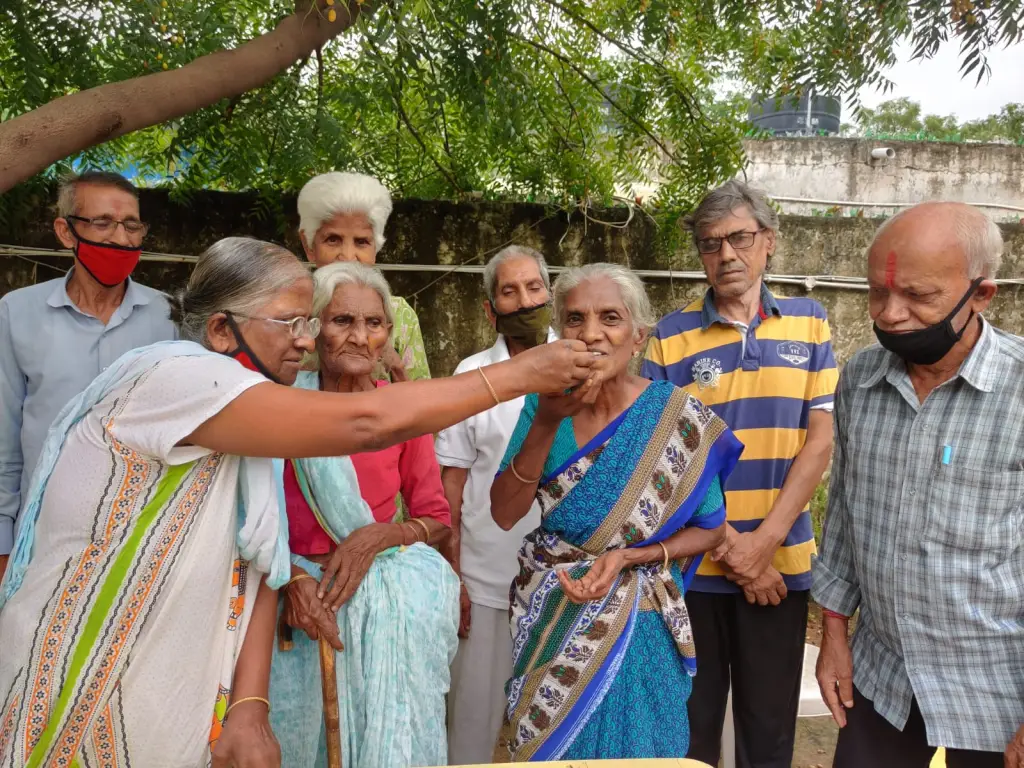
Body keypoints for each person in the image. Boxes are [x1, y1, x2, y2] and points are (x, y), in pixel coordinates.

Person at [0, 236, 596, 767]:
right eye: (293, 322)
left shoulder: (249, 415)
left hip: (175, 667)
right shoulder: (174, 377)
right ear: (221, 330)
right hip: (90, 651)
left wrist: (251, 708)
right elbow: (366, 423)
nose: (308, 341)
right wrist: (521, 374)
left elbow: (261, 555)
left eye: (310, 322)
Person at [491, 263, 743, 762]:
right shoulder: (542, 407)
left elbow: (711, 530)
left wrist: (634, 556)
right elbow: (503, 512)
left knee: (641, 751)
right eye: (574, 319)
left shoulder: (676, 416)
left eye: (610, 318)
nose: (590, 334)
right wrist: (545, 420)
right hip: (555, 616)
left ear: (638, 337)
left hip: (641, 621)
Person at [813, 202, 1024, 768]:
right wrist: (835, 635)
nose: (890, 315)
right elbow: (844, 517)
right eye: (877, 293)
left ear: (982, 294)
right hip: (883, 676)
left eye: (918, 296)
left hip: (998, 690)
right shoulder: (860, 378)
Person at [642, 180, 837, 768]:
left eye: (739, 238)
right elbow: (664, 461)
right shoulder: (669, 339)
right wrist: (734, 550)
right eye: (710, 244)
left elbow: (820, 442)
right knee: (691, 731)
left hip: (781, 566)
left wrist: (764, 546)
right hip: (695, 569)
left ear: (768, 242)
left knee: (769, 730)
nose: (726, 254)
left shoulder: (811, 323)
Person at [270, 261, 457, 768]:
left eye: (373, 324)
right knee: (301, 743)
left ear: (388, 336)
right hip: (297, 604)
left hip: (381, 605)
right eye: (342, 321)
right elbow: (249, 515)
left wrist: (378, 537)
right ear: (313, 330)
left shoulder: (402, 411)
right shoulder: (283, 410)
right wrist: (288, 579)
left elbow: (436, 517)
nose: (359, 337)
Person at [0, 171, 176, 583]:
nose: (120, 238)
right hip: (41, 541)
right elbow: (4, 440)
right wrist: (3, 545)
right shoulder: (16, 313)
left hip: (140, 541)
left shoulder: (170, 317)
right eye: (102, 223)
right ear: (66, 231)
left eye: (131, 225)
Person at [435, 245, 556, 766]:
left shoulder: (585, 364)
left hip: (565, 584)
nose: (524, 300)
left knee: (553, 723)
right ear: (490, 309)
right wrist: (453, 574)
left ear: (550, 295)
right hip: (486, 582)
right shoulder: (473, 375)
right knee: (472, 726)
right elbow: (452, 484)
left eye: (533, 288)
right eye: (509, 291)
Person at [297, 171, 429, 382]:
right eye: (333, 240)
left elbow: (423, 404)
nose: (348, 257)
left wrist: (396, 368)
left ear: (376, 247)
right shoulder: (290, 312)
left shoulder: (399, 314)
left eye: (361, 242)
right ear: (309, 245)